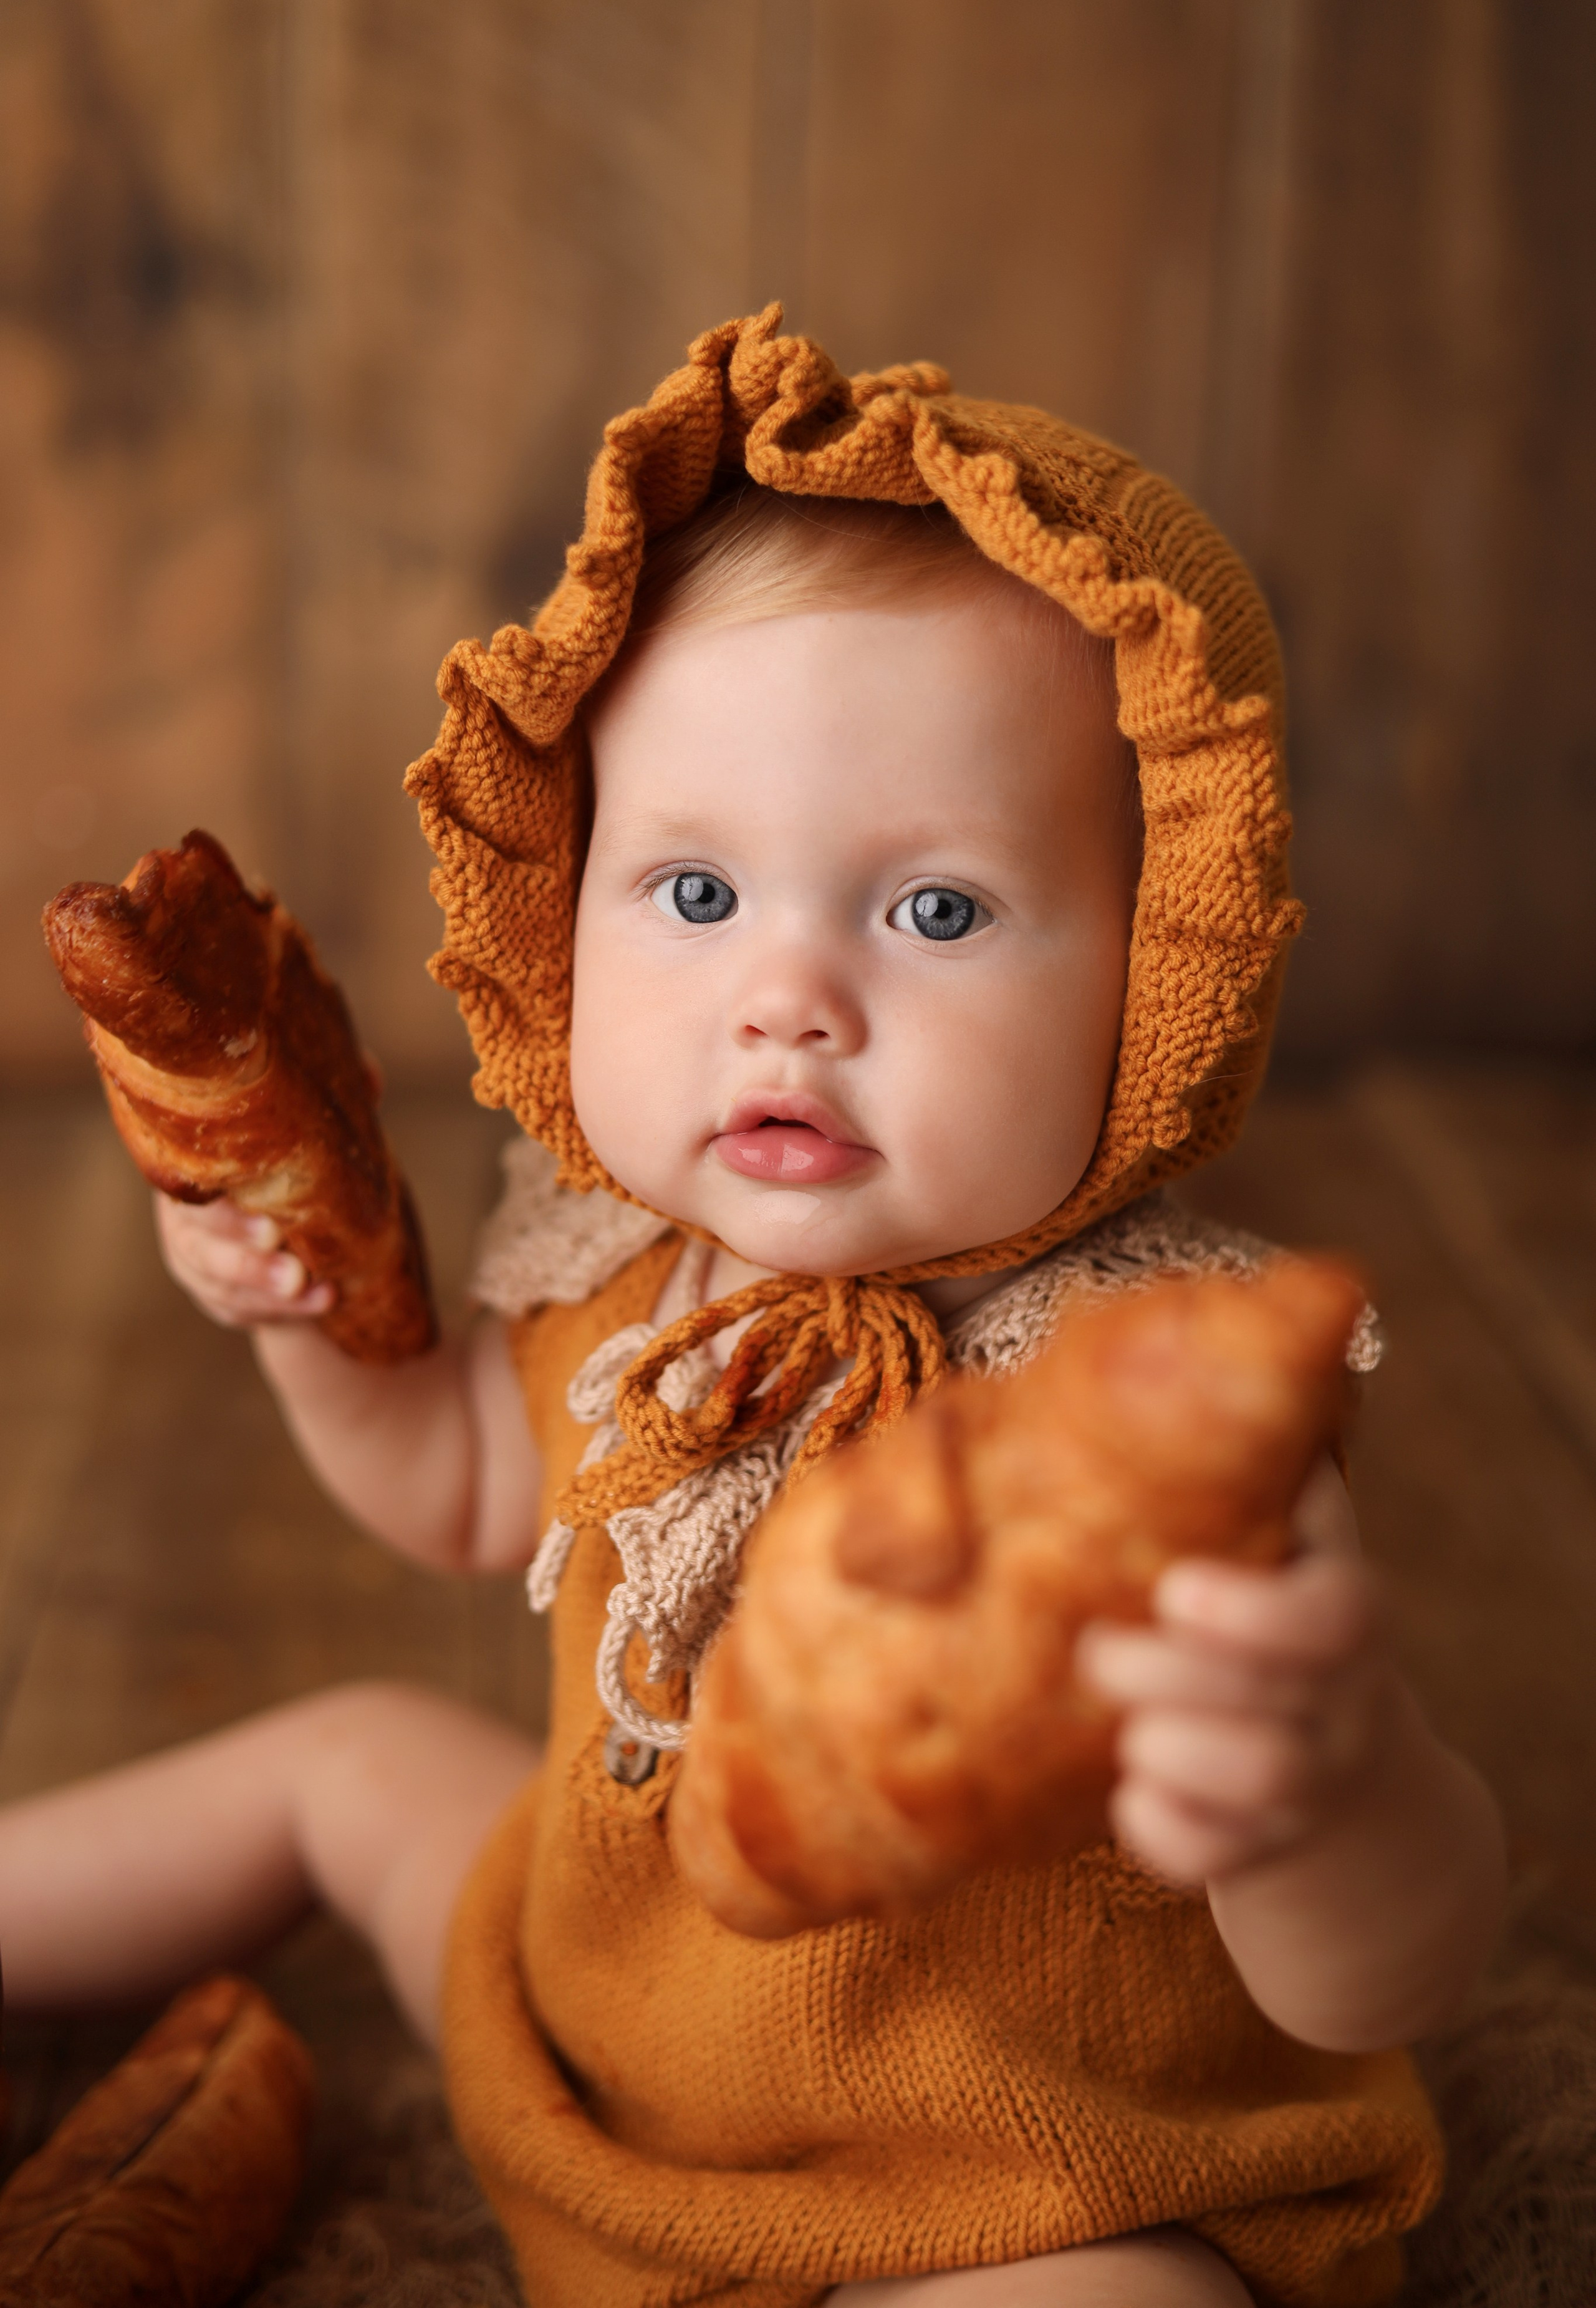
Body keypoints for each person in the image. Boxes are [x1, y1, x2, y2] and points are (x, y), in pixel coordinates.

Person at [0, 311, 1504, 2306]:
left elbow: (1395, 1975)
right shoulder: (610, 1253)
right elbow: (464, 1488)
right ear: (570, 895)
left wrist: (1326, 1788)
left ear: (1162, 990)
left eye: (938, 909)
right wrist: (300, 1320)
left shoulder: (1147, 1425)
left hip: (1000, 2178)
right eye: (699, 896)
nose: (789, 997)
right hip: (601, 2024)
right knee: (356, 1754)